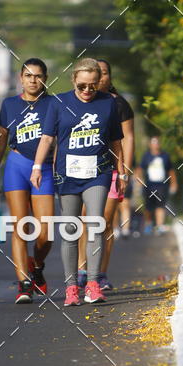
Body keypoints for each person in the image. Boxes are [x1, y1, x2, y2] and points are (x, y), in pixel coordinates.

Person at [30, 58, 125, 306]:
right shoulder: (59, 103)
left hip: (98, 172)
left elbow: (116, 142)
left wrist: (121, 173)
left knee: (95, 224)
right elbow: (47, 138)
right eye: (82, 86)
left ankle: (93, 284)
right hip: (67, 173)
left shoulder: (108, 104)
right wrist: (37, 166)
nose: (87, 91)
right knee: (70, 231)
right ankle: (72, 286)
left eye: (92, 86)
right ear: (74, 80)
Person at [0, 58, 55, 304]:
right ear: (21, 78)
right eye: (28, 76)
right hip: (16, 166)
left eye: (38, 76)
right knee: (21, 227)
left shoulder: (53, 104)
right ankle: (24, 283)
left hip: (44, 168)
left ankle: (36, 266)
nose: (33, 80)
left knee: (45, 233)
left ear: (45, 79)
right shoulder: (9, 105)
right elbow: (0, 142)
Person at [76, 58, 134, 291]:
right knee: (84, 220)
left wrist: (124, 172)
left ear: (109, 78)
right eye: (95, 73)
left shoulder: (118, 104)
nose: (99, 78)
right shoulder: (79, 103)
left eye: (103, 73)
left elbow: (128, 138)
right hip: (83, 169)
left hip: (111, 170)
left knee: (104, 222)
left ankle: (100, 273)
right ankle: (82, 268)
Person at [137, 136, 178, 233]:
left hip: (162, 185)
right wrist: (139, 181)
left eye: (157, 143)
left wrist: (174, 184)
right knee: (148, 207)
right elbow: (139, 169)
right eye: (153, 143)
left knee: (160, 205)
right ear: (150, 145)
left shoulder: (165, 156)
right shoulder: (146, 156)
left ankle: (159, 226)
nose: (156, 145)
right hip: (149, 185)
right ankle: (148, 224)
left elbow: (171, 171)